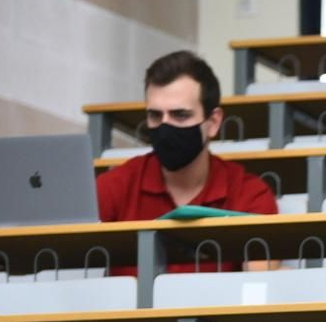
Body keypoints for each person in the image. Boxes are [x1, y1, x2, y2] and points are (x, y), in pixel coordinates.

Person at [96, 51, 277, 272]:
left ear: (213, 122)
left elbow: (259, 285)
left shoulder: (249, 194)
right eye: (155, 116)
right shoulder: (115, 187)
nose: (165, 127)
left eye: (180, 115)